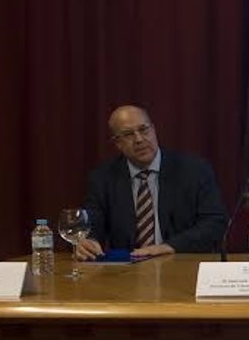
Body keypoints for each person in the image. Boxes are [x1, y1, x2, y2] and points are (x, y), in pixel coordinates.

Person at [77, 105, 227, 259]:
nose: (139, 139)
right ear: (118, 143)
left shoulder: (194, 170)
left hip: (180, 262)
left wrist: (169, 247)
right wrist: (89, 242)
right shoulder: (103, 178)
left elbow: (214, 222)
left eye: (143, 130)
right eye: (128, 134)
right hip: (128, 268)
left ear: (154, 130)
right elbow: (92, 223)